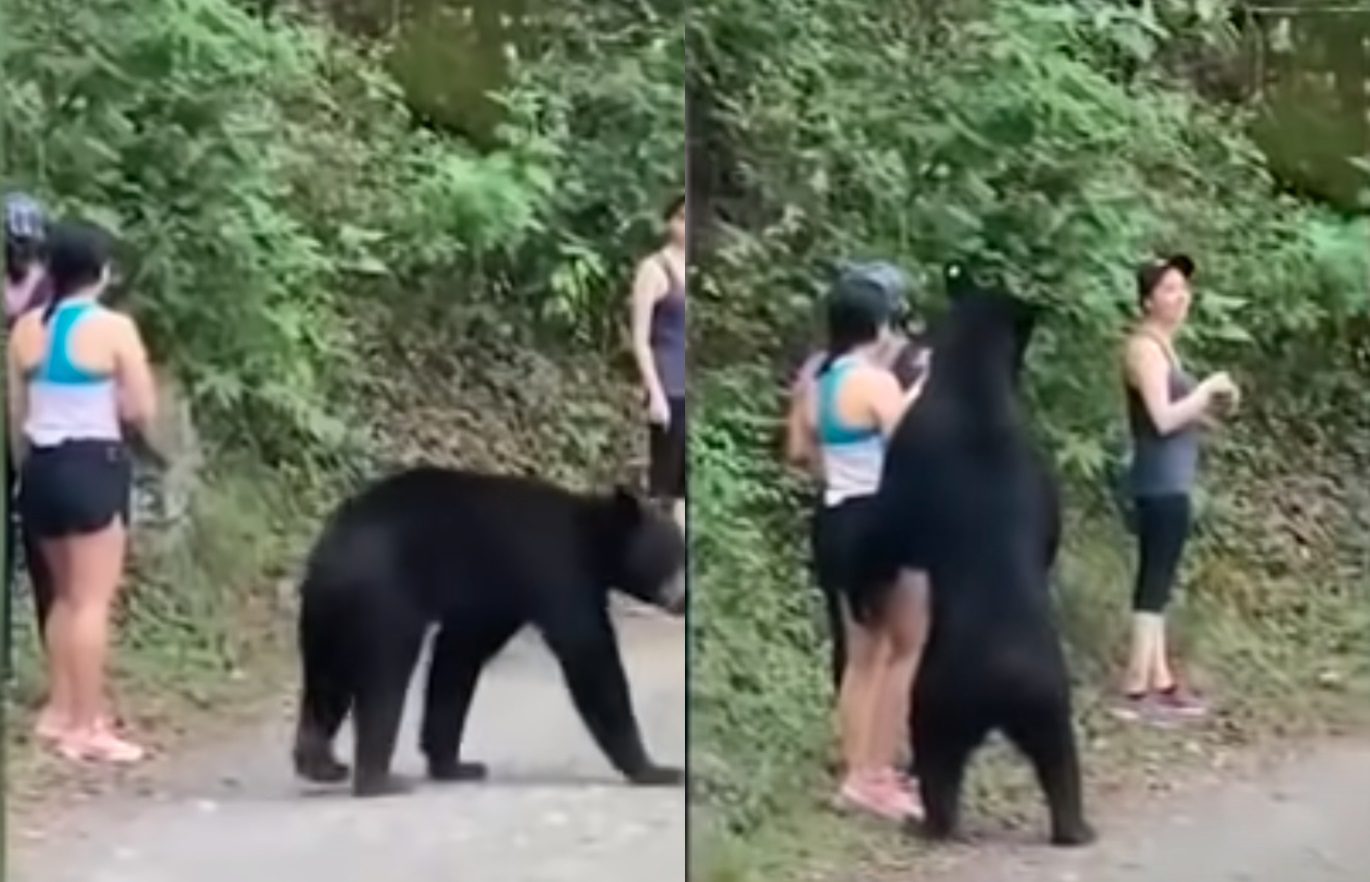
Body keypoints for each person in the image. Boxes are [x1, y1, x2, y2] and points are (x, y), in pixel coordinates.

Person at [7, 220, 158, 763]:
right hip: (93, 466)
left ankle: (60, 711)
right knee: (92, 602)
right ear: (102, 272)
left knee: (65, 597)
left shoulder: (25, 329)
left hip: (41, 469)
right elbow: (141, 408)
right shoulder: (114, 329)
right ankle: (87, 726)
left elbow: (17, 414)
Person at [787, 265, 930, 822]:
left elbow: (801, 453)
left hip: (836, 515)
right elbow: (911, 448)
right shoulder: (875, 382)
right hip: (881, 518)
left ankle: (856, 774)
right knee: (904, 646)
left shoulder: (817, 385)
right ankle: (880, 773)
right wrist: (920, 393)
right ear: (879, 323)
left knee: (861, 654)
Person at [1115, 254, 1238, 724]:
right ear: (1147, 300)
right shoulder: (1145, 348)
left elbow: (1176, 414)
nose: (1180, 295)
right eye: (1168, 289)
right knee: (1154, 583)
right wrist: (1204, 390)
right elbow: (1162, 419)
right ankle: (1135, 686)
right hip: (1157, 480)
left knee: (1160, 583)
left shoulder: (1165, 347)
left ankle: (1161, 680)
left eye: (1183, 287)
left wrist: (1211, 411)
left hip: (1173, 478)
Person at [4, 192, 57, 668]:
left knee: (45, 560)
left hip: (34, 430)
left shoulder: (51, 297)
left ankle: (56, 660)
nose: (19, 253)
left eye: (26, 244)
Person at [630, 193, 687, 530]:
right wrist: (655, 393)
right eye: (679, 218)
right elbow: (640, 337)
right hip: (668, 383)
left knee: (684, 486)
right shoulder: (654, 269)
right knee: (663, 482)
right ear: (668, 222)